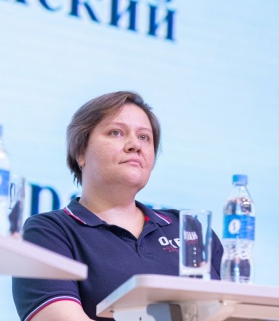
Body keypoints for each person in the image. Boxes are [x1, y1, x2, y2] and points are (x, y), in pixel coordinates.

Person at [12, 91, 223, 321]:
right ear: (81, 152)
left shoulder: (189, 228)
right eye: (116, 132)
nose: (135, 145)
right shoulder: (48, 232)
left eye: (145, 137)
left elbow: (238, 309)